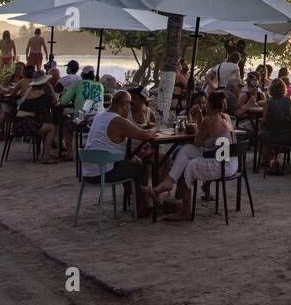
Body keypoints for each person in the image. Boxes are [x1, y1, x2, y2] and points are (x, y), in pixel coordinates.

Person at [81, 90, 166, 217]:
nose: (130, 108)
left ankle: (148, 199)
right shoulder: (118, 120)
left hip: (89, 171)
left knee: (130, 164)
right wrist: (156, 128)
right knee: (142, 169)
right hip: (103, 173)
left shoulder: (100, 116)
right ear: (124, 105)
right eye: (129, 105)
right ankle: (143, 207)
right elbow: (145, 136)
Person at [158, 91, 239, 219]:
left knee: (188, 165)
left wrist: (199, 118)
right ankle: (169, 181)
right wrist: (200, 116)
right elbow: (205, 139)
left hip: (221, 165)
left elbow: (198, 142)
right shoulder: (226, 117)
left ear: (209, 105)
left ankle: (185, 212)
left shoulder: (209, 120)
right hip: (231, 162)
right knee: (186, 149)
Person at [17, 71, 59, 162]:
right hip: (27, 124)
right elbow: (56, 102)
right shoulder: (43, 96)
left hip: (18, 123)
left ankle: (44, 152)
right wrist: (51, 88)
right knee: (51, 127)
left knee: (45, 124)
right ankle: (46, 156)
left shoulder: (28, 92)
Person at [260, 78, 291, 174]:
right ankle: (275, 158)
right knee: (277, 130)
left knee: (263, 132)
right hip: (286, 136)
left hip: (271, 136)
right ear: (283, 89)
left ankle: (266, 159)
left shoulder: (268, 102)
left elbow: (264, 120)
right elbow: (289, 116)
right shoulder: (288, 101)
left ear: (271, 89)